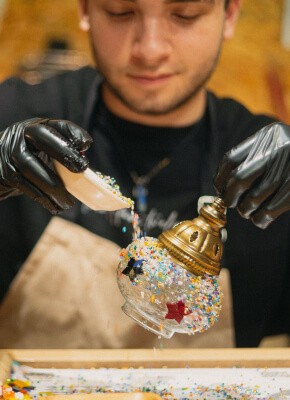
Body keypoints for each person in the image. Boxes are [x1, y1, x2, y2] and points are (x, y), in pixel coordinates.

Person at [0, 0, 289, 349]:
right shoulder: (16, 118)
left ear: (229, 16)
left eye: (185, 15)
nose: (150, 50)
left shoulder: (271, 168)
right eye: (120, 12)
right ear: (85, 10)